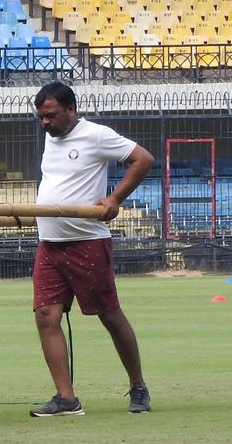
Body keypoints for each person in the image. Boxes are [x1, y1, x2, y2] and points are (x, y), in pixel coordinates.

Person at [29, 82, 154, 417]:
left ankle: (138, 386)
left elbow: (142, 159)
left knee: (109, 315)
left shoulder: (96, 135)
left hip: (87, 241)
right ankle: (66, 398)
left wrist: (115, 198)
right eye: (40, 117)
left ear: (71, 109)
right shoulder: (50, 136)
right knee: (45, 316)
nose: (45, 123)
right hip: (50, 243)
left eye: (51, 116)